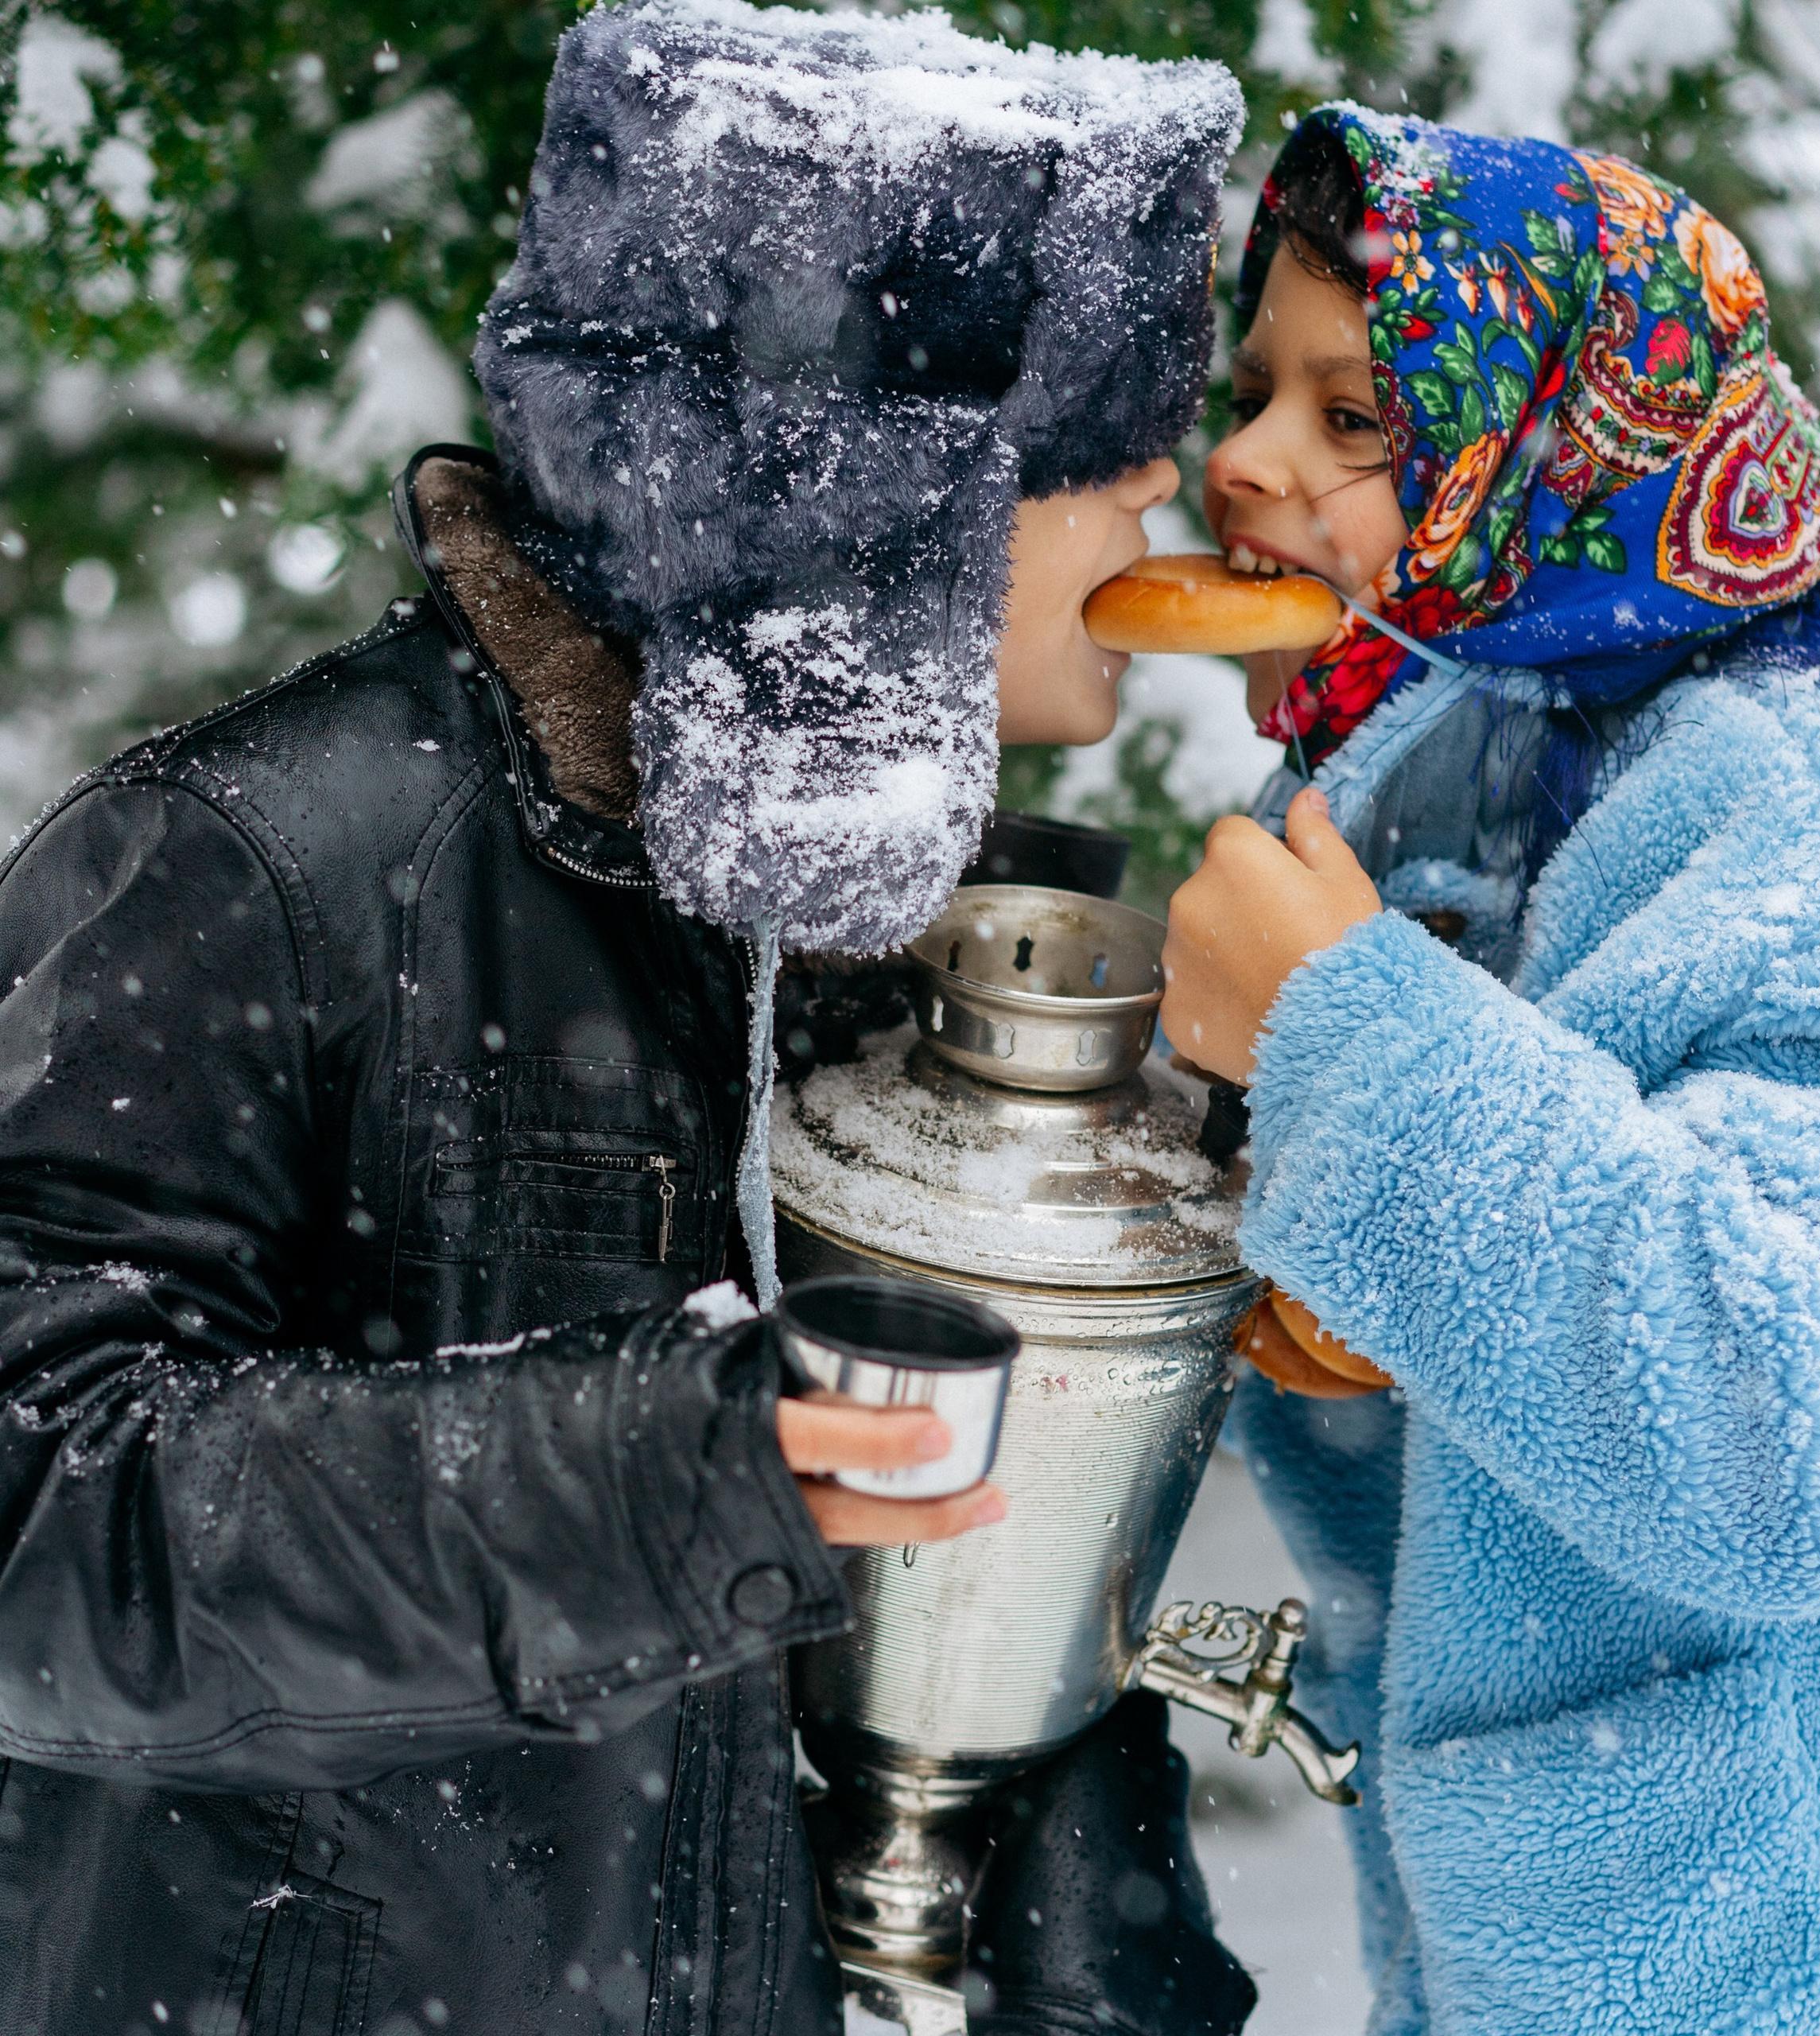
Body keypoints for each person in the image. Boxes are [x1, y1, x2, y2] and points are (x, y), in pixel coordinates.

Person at [0, 7, 1251, 2034]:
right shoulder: (259, 861)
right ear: (865, 495)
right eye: (1086, 445)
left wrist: (1099, 1956)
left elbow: (990, 1614)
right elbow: (44, 1518)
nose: (1156, 498)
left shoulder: (946, 925)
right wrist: (677, 1473)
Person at [1161, 105, 1820, 2032]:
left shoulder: (1816, 810)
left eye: (1353, 417)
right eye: (1255, 394)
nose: (1239, 461)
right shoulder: (1462, 762)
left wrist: (1341, 1041)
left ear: (1550, 439)